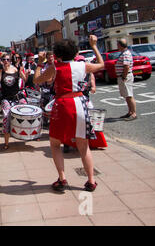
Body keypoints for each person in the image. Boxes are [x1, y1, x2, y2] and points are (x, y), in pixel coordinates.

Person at [33, 35, 104, 192]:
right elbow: (101, 64)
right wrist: (94, 46)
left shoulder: (55, 68)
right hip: (80, 103)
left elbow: (36, 80)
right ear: (74, 52)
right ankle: (91, 181)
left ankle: (62, 178)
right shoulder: (83, 65)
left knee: (55, 144)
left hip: (62, 105)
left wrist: (39, 63)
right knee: (83, 145)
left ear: (57, 54)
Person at [0, 53, 27, 150]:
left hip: (16, 96)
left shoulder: (15, 69)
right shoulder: (0, 71)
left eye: (8, 59)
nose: (6, 61)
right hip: (6, 98)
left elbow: (25, 79)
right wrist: (0, 71)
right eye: (4, 59)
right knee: (6, 116)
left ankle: (25, 133)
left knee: (26, 110)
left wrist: (21, 71)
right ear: (1, 61)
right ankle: (6, 142)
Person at [116, 39, 137, 121]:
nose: (117, 46)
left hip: (126, 76)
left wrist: (124, 77)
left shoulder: (126, 54)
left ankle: (134, 113)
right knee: (126, 96)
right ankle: (130, 112)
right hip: (123, 76)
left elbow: (126, 66)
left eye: (117, 44)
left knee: (129, 95)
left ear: (121, 45)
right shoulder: (123, 53)